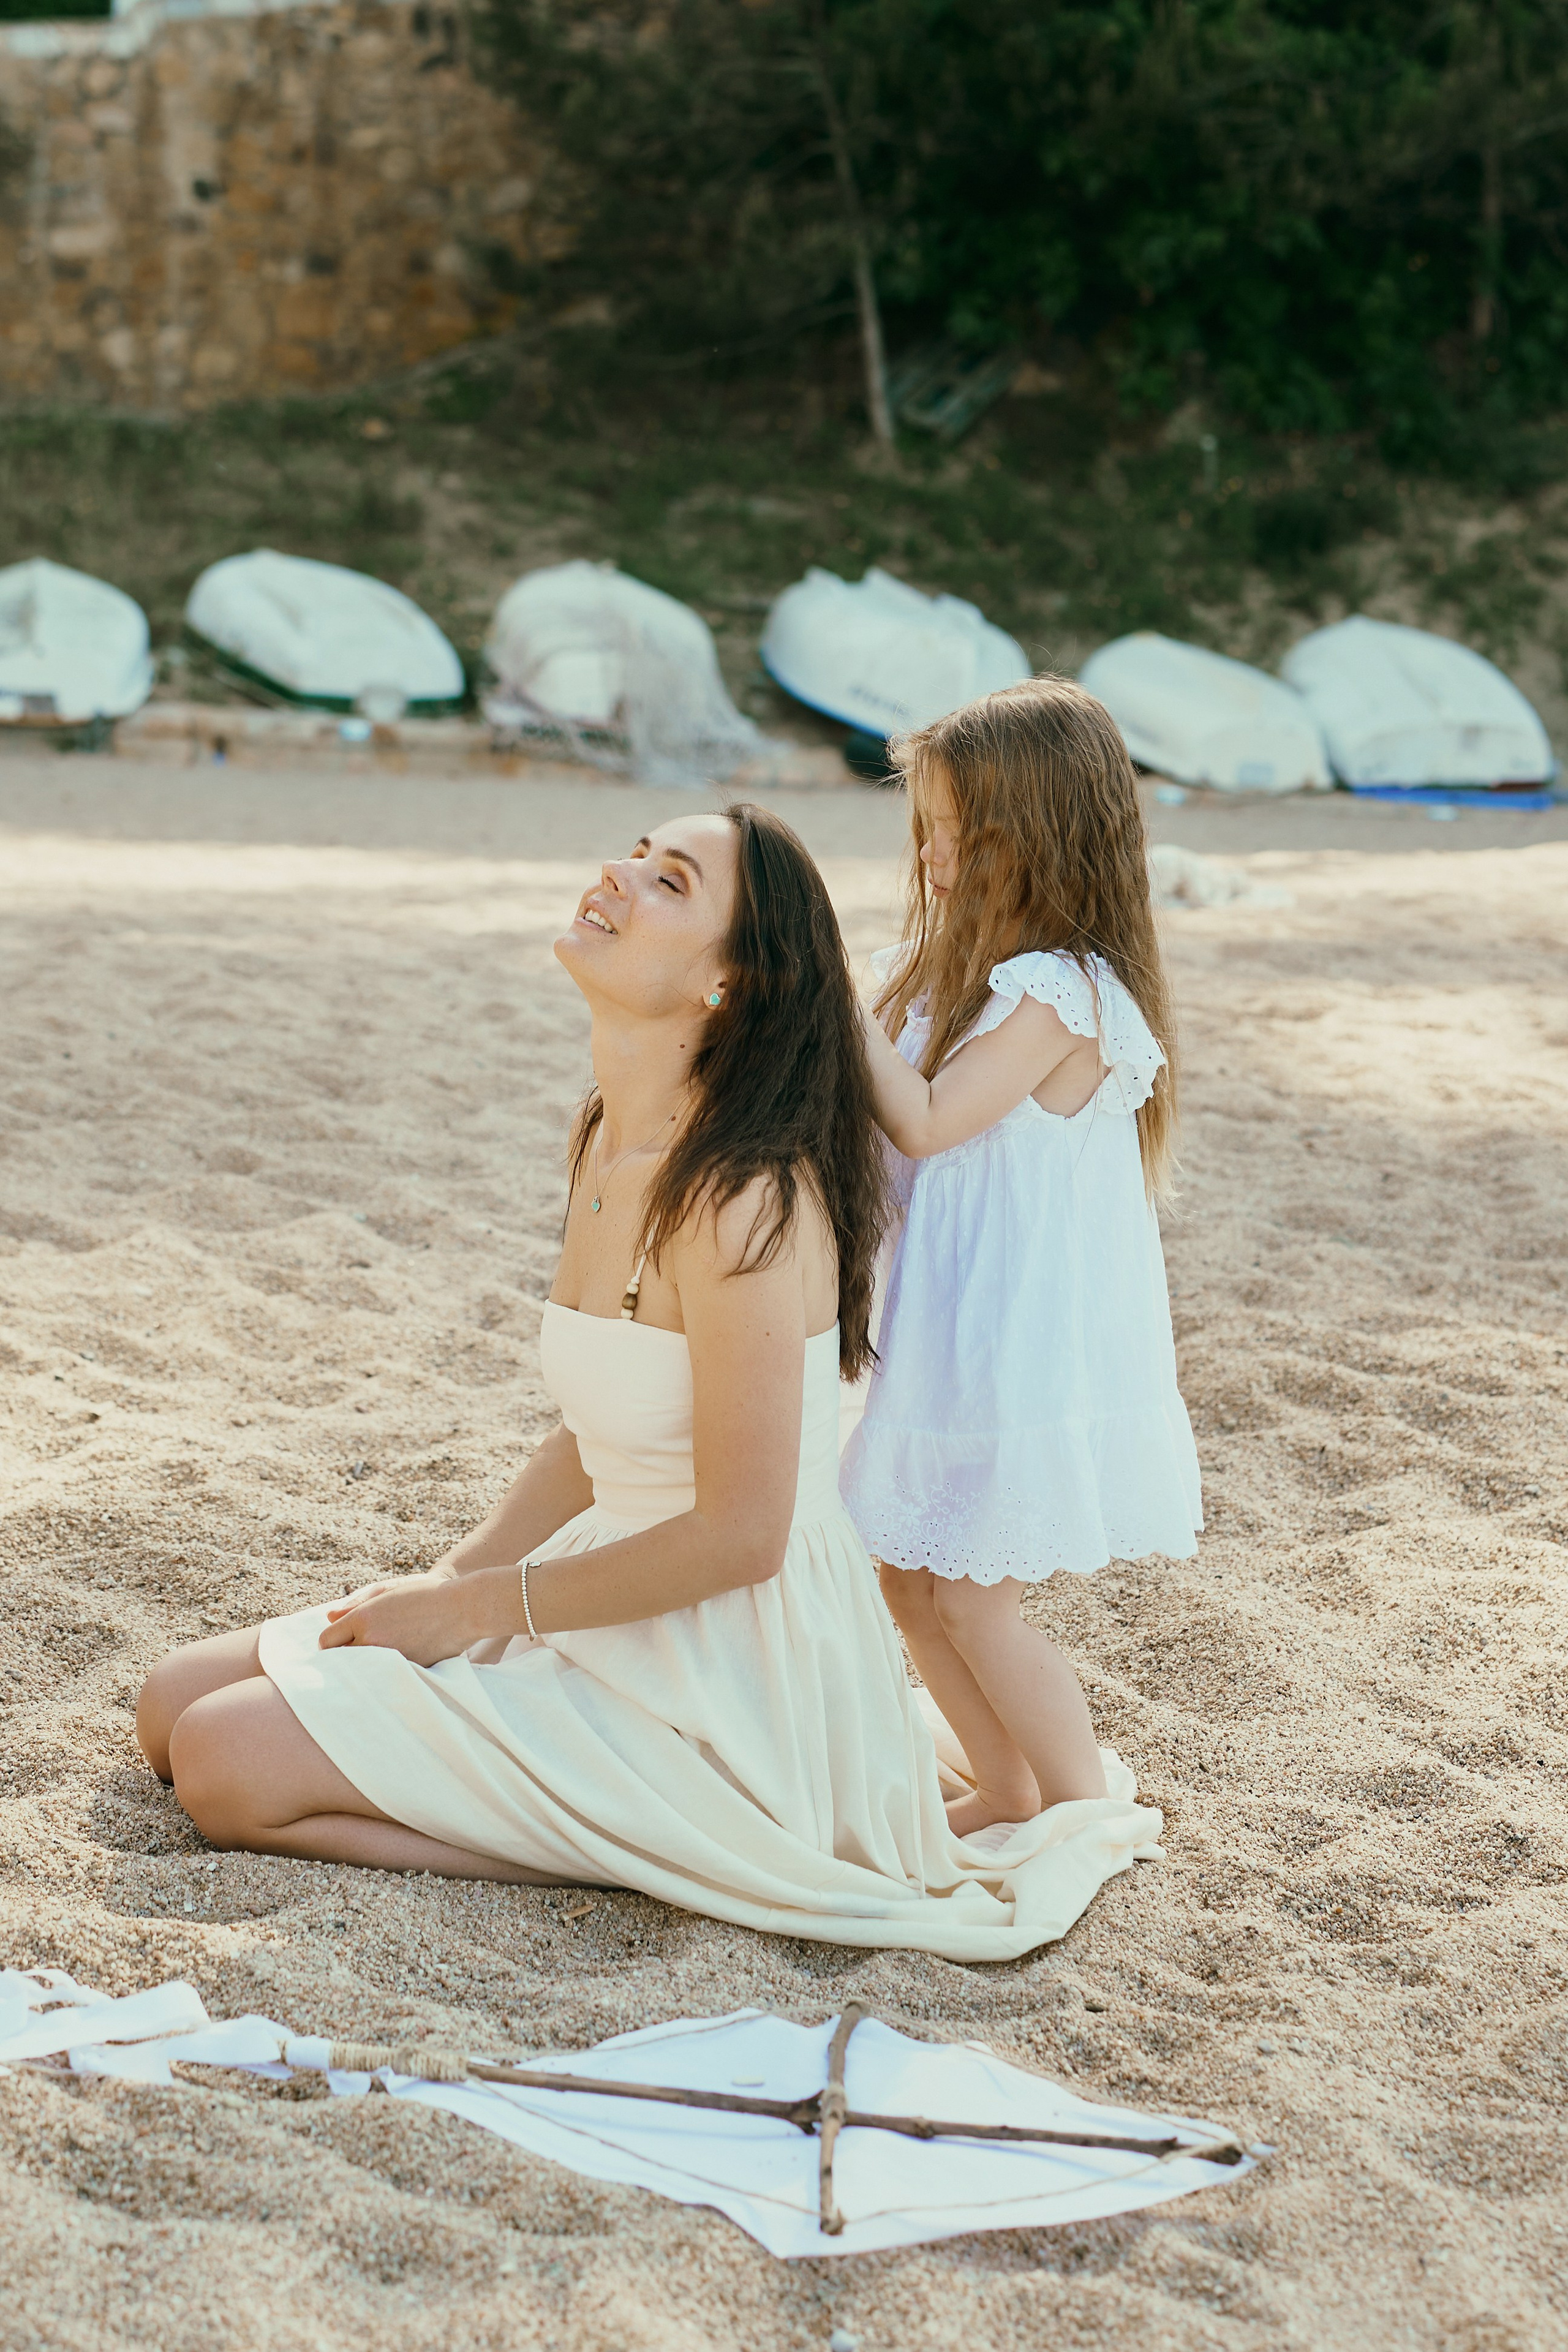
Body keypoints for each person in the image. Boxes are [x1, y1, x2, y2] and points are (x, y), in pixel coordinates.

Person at [137, 801, 1160, 1958]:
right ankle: (587, 1804)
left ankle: (661, 1846)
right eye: (636, 854)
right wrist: (448, 1582)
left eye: (672, 882)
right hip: (603, 1586)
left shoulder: (744, 1195)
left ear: (731, 984)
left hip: (726, 1662)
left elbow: (743, 1536)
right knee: (172, 1703)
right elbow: (600, 1436)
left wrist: (475, 1612)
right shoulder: (607, 1137)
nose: (619, 877)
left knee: (223, 1768)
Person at [842, 678, 1202, 1840]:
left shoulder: (1065, 994)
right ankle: (1005, 1787)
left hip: (1018, 1355)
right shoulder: (956, 973)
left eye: (963, 832)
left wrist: (834, 1008)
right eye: (928, 828)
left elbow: (933, 1121)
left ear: (1041, 839)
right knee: (909, 1583)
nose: (935, 855)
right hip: (947, 1340)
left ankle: (1080, 1809)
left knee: (976, 1602)